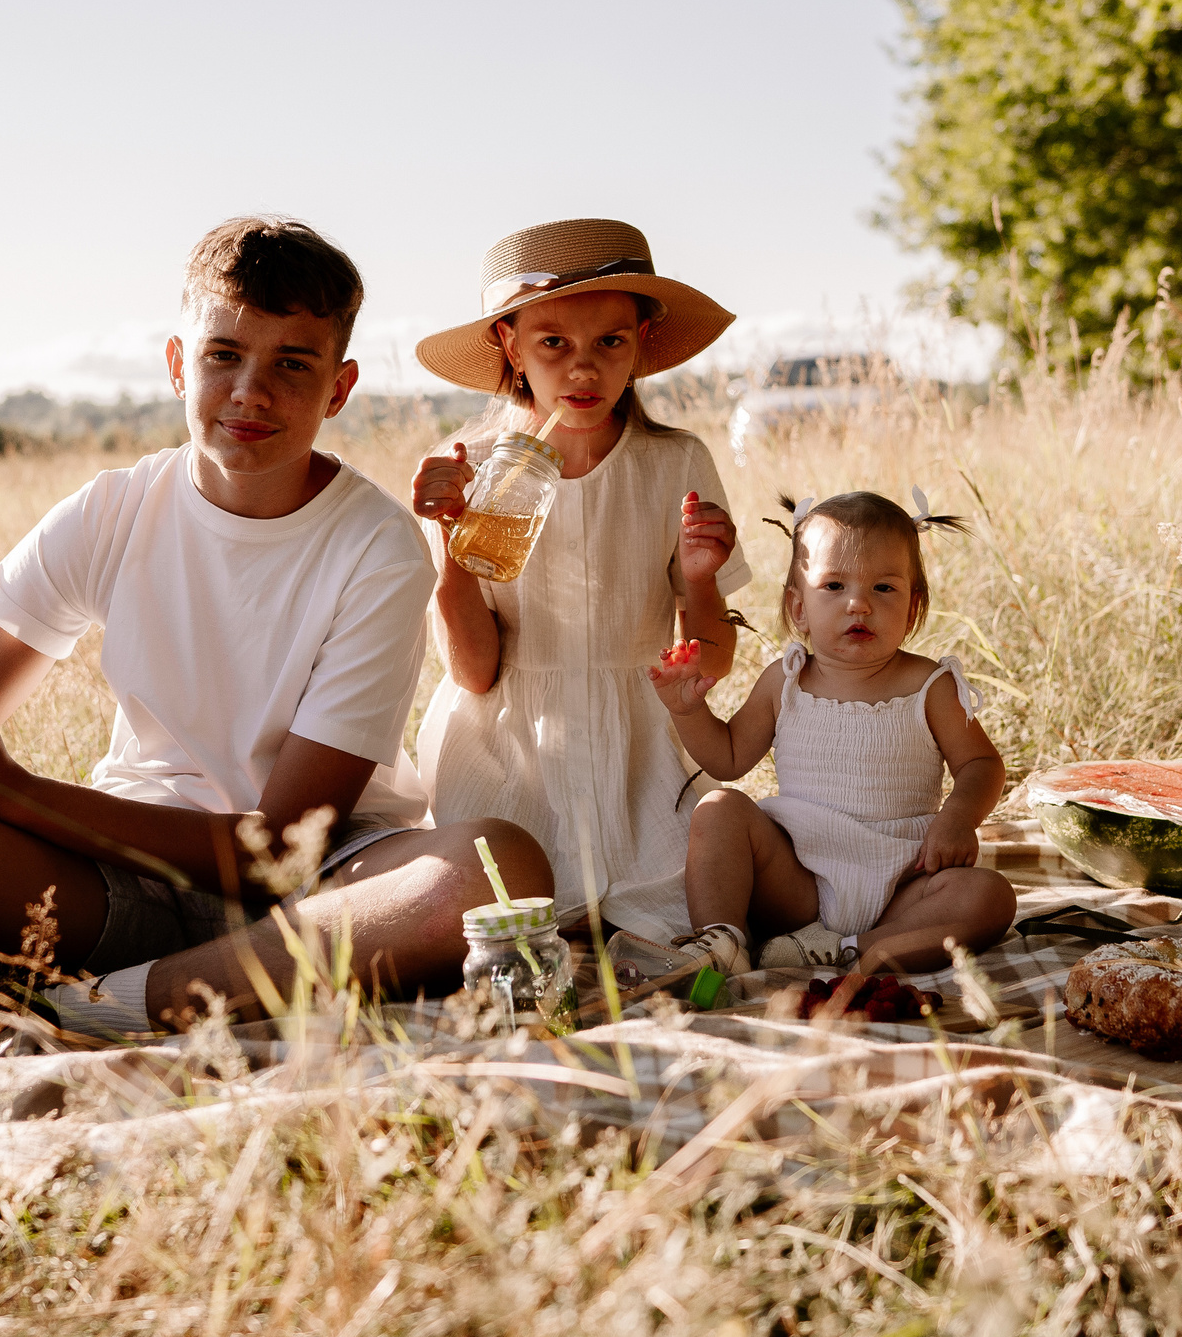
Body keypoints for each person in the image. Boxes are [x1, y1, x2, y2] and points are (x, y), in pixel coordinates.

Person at [0, 217, 548, 1074]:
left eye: (292, 363)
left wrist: (14, 788)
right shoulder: (116, 507)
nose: (250, 391)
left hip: (323, 885)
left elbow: (276, 851)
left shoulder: (374, 545)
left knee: (495, 861)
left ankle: (94, 1007)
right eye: (224, 355)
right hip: (120, 877)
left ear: (338, 388)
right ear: (181, 363)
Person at [406, 218, 750, 942]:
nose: (583, 369)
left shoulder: (674, 463)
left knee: (705, 896)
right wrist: (451, 544)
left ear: (643, 341)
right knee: (495, 915)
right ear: (510, 343)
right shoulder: (473, 470)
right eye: (553, 343)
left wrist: (702, 581)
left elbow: (710, 662)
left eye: (609, 342)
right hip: (507, 754)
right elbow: (474, 672)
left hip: (642, 755)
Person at [644, 491, 1015, 977]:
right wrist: (688, 712)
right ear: (798, 608)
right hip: (796, 878)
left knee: (989, 897)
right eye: (834, 586)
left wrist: (957, 817)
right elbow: (728, 759)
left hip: (902, 879)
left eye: (884, 588)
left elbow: (982, 765)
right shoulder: (786, 680)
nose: (858, 604)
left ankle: (850, 949)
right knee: (719, 810)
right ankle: (721, 942)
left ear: (913, 607)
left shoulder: (931, 686)